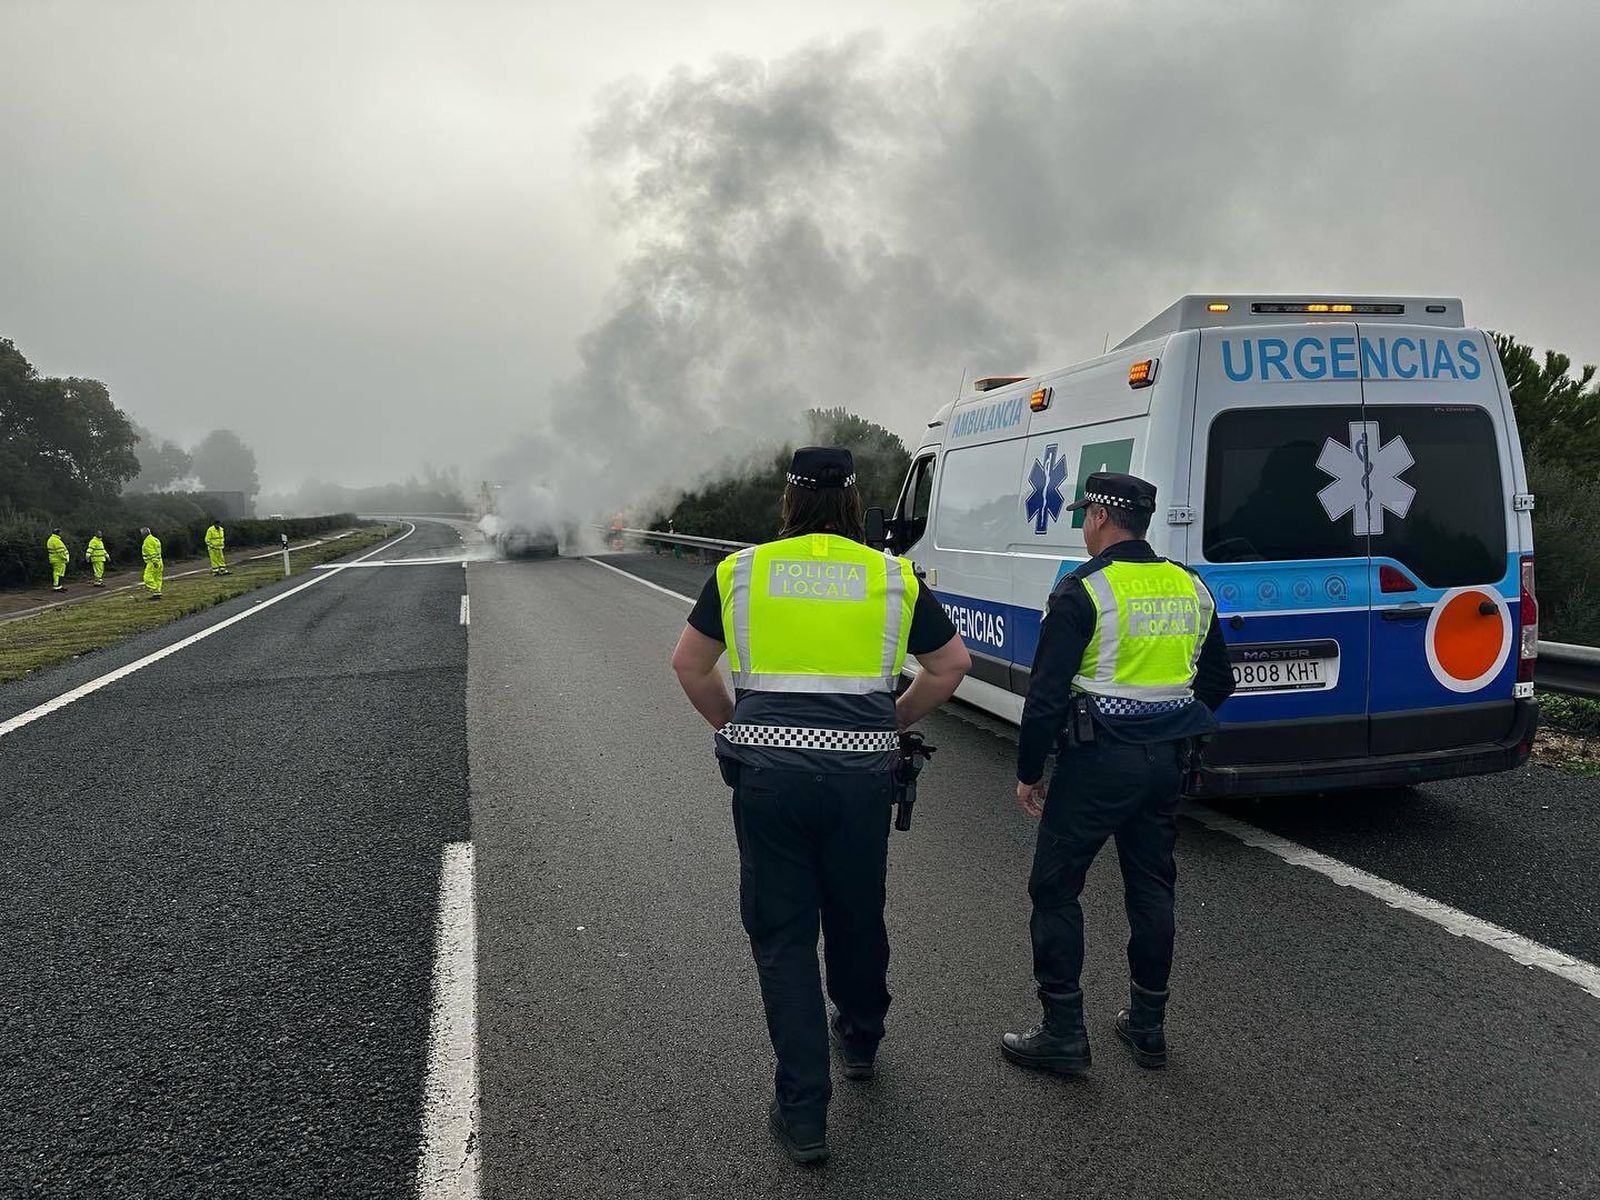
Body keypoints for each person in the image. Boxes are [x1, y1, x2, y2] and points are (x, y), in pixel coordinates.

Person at [670, 447, 970, 1165]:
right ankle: (861, 1039)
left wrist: (734, 726)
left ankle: (803, 1114)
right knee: (856, 909)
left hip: (768, 778)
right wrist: (890, 721)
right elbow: (950, 665)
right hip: (862, 779)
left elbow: (689, 662)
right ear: (853, 502)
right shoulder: (891, 576)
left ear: (789, 500)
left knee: (783, 936)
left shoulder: (741, 572)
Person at [1001, 472, 1234, 1076]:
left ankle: (1062, 1030)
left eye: (1086, 515)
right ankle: (1148, 1027)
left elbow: (1046, 695)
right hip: (1167, 765)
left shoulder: (1083, 591)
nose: (1083, 525)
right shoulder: (1191, 587)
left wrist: (1030, 772)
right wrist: (1172, 720)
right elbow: (1217, 682)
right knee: (1151, 888)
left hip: (1097, 762)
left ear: (1102, 517)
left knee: (1055, 888)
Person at [140, 527, 164, 598]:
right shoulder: (155, 539)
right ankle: (157, 592)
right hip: (160, 561)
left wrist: (154, 561)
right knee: (157, 577)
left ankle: (155, 590)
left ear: (143, 534)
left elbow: (152, 553)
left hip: (153, 562)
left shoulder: (148, 541)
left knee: (147, 577)